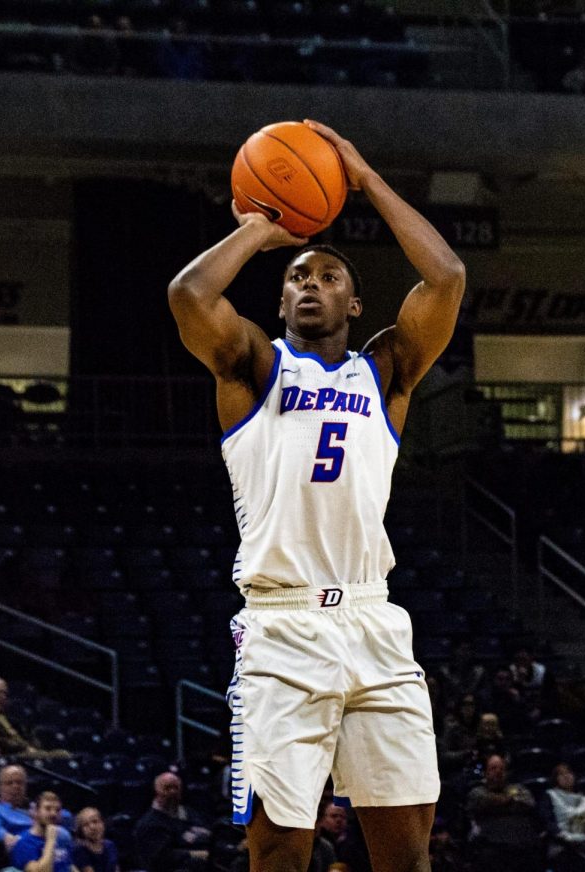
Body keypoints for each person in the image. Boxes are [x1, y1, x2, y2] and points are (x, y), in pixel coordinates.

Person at [166, 119, 465, 872]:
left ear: (356, 306)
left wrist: (362, 177)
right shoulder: (253, 369)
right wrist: (259, 229)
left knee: (407, 853)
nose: (310, 285)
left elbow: (447, 278)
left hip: (373, 619)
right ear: (280, 300)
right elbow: (189, 293)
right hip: (282, 628)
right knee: (278, 851)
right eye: (297, 277)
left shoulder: (387, 372)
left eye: (328, 276)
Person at [466, 754, 545, 872]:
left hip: (524, 844)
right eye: (493, 768)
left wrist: (495, 805)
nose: (498, 772)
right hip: (492, 845)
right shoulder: (477, 792)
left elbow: (528, 803)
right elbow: (481, 802)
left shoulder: (519, 788)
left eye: (501, 768)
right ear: (486, 773)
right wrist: (509, 801)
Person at [132, 772, 210, 871]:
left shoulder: (190, 813)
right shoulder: (149, 823)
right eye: (167, 788)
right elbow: (160, 858)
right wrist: (195, 854)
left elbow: (207, 833)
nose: (172, 792)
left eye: (176, 788)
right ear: (157, 791)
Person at [539, 763, 585, 869]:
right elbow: (547, 821)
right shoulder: (549, 795)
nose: (566, 776)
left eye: (569, 773)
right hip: (561, 843)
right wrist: (563, 836)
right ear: (556, 779)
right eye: (561, 774)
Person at [10, 792, 76, 872]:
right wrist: (51, 840)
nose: (53, 813)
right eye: (48, 808)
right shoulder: (24, 843)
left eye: (57, 810)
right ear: (36, 812)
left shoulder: (62, 837)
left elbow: (69, 865)